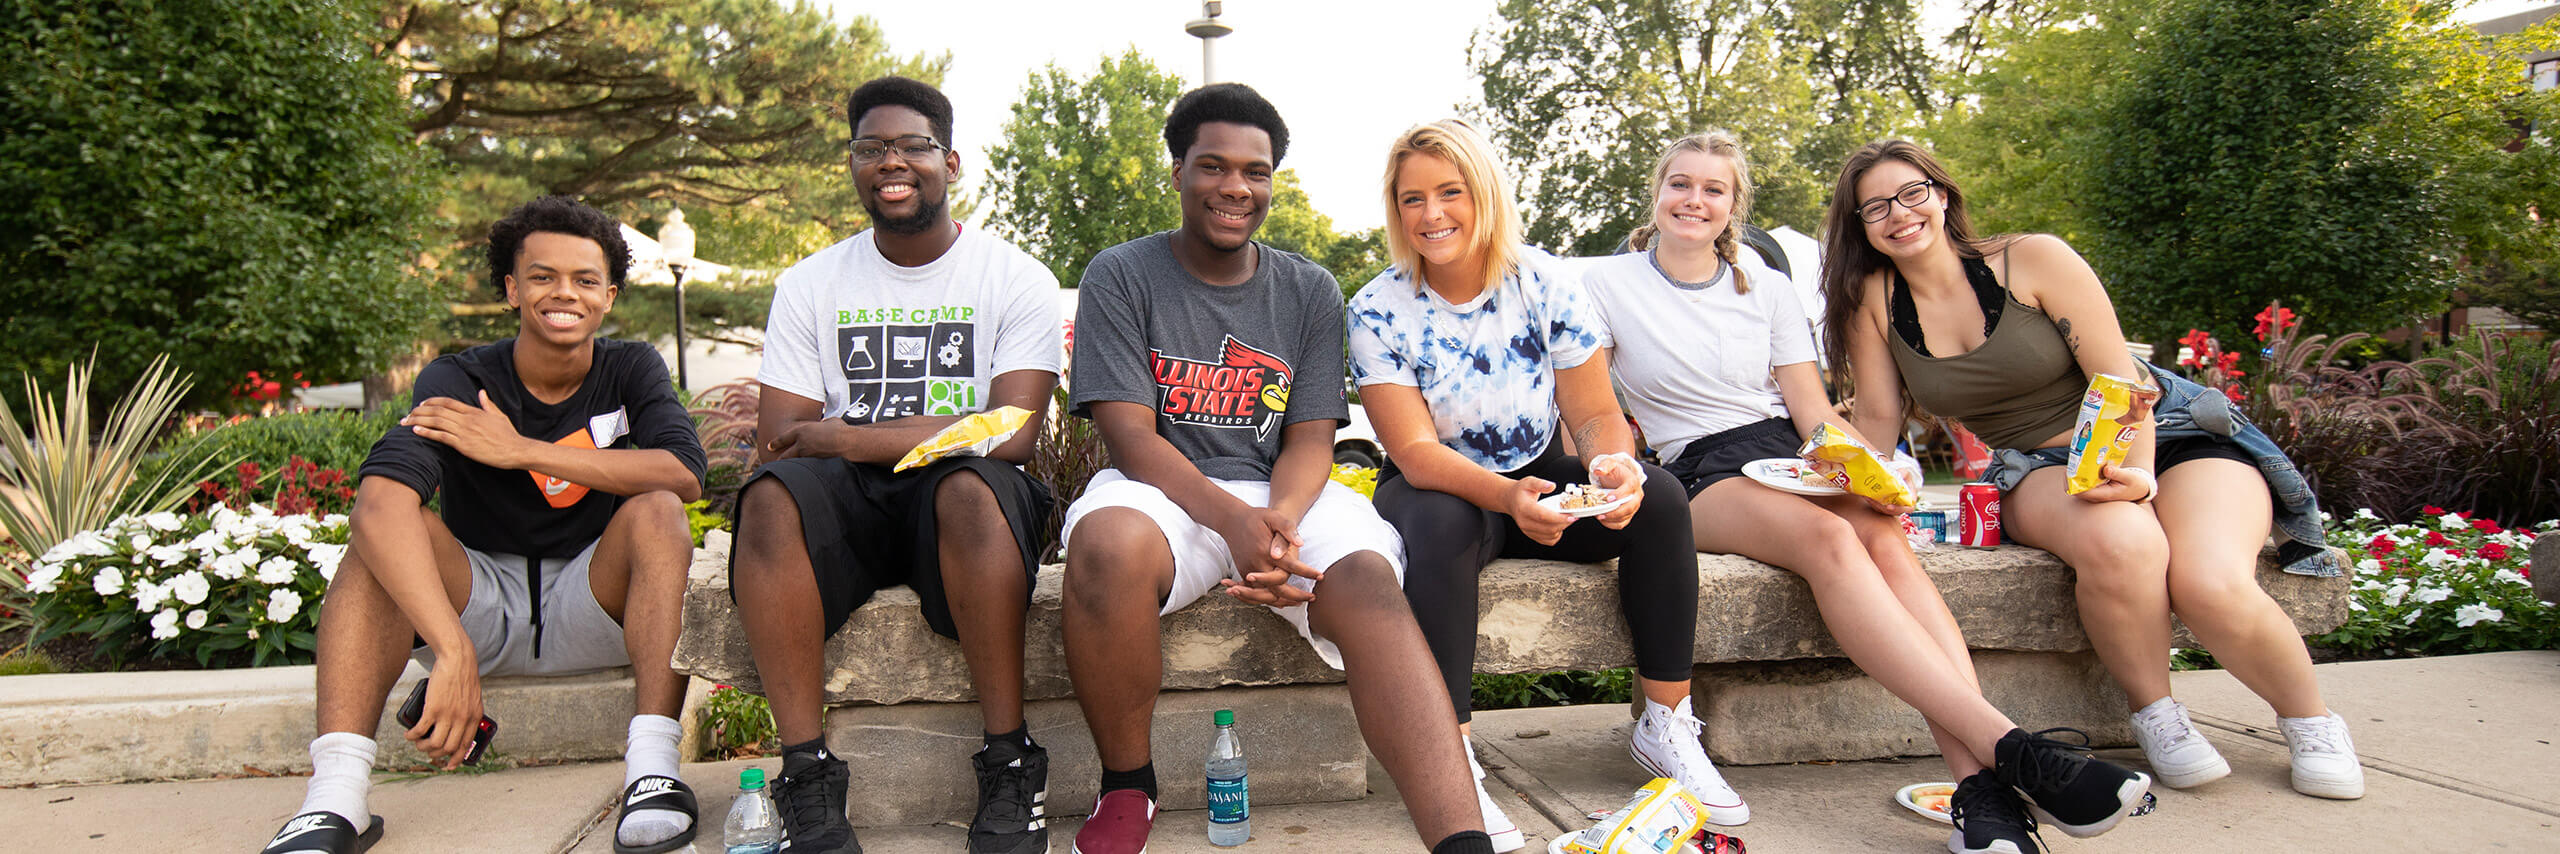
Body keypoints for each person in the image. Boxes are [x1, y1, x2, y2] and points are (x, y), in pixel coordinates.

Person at [1588, 131, 2154, 854]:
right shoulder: (1606, 285)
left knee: (1885, 537)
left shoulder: (1766, 287)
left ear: (1734, 206)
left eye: (1714, 189)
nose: (1694, 200)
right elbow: (1597, 407)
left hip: (1788, 455)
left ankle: (1983, 798)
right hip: (1695, 470)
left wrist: (1870, 478)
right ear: (1657, 193)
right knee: (1828, 539)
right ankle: (2017, 750)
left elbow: (1812, 415)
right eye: (1681, 184)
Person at [1818, 139, 2364, 807]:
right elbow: (1876, 420)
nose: (1898, 214)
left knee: (2207, 578)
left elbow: (2121, 379)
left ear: (1942, 195)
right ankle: (2156, 713)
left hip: (2169, 434)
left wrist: (2137, 472)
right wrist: (1838, 470)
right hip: (2040, 463)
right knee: (2124, 543)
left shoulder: (2033, 258)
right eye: (1875, 207)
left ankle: (2311, 722)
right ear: (1859, 226)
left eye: (1911, 193)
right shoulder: (1871, 301)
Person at [1058, 83, 1491, 854]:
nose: (1236, 187)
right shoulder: (1121, 275)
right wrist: (1232, 522)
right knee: (1105, 548)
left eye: (1255, 172)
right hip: (1161, 491)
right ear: (1178, 173)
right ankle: (1128, 784)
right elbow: (1130, 436)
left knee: (1364, 577)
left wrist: (1280, 523)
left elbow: (1312, 437)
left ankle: (1463, 839)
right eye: (1213, 166)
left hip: (1282, 494)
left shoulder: (1308, 289)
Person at [260, 196, 707, 854]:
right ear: (511, 288)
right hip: (480, 599)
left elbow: (684, 474)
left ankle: (652, 771)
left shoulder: (629, 367)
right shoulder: (459, 376)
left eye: (585, 280)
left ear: (608, 296)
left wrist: (520, 450)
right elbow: (377, 505)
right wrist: (451, 649)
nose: (565, 293)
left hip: (597, 601)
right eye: (542, 276)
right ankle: (335, 799)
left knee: (659, 510)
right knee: (377, 544)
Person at [1347, 119, 1730, 847]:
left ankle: (1666, 725)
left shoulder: (1547, 282)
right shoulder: (1375, 307)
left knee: (1661, 497)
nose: (1431, 215)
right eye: (1412, 199)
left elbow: (1592, 413)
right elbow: (1416, 451)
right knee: (1436, 524)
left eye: (1450, 192)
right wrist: (1507, 500)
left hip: (1535, 472)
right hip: (1437, 486)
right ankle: (1451, 759)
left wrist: (1610, 466)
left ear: (1484, 193)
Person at [726, 76, 1064, 854]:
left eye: (912, 146)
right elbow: (781, 435)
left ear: (950, 161)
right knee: (772, 500)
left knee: (976, 491)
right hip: (853, 500)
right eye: (871, 148)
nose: (892, 162)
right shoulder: (811, 282)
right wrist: (940, 427)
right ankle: (806, 775)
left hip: (957, 495)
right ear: (852, 164)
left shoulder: (1013, 276)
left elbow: (1011, 430)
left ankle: (1011, 760)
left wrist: (845, 436)